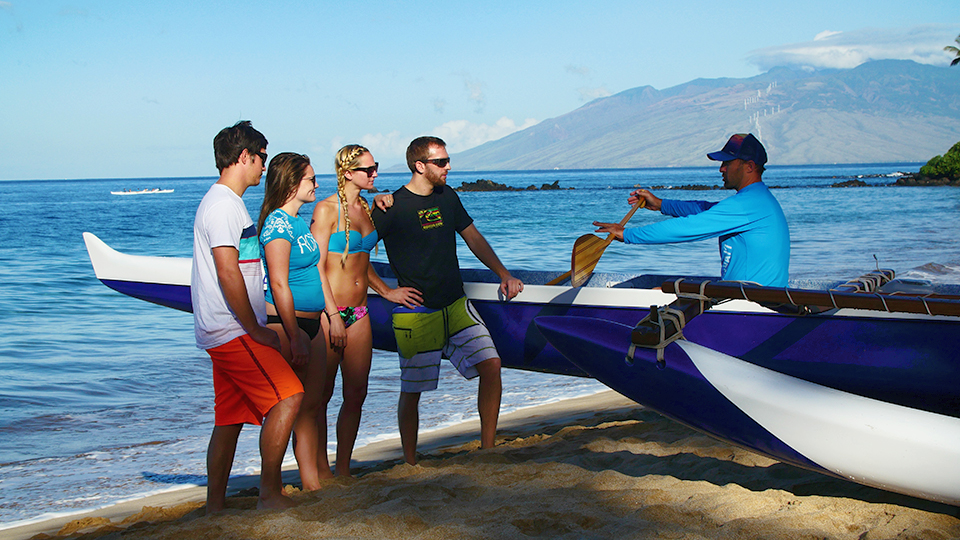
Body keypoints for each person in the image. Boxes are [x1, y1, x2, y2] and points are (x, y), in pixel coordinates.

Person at [369, 136, 524, 465]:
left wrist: (503, 273)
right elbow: (354, 254)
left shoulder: (447, 196)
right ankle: (410, 462)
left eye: (448, 160)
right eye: (441, 162)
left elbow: (472, 236)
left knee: (491, 365)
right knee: (413, 391)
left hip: (455, 303)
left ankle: (488, 449)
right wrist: (386, 291)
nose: (448, 167)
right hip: (416, 311)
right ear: (420, 166)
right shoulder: (391, 206)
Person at [190, 121, 303, 513]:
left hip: (222, 328)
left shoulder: (226, 202)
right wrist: (255, 327)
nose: (263, 167)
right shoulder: (223, 205)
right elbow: (227, 270)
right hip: (231, 329)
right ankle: (269, 494)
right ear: (244, 157)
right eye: (261, 158)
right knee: (289, 397)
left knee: (230, 418)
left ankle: (214, 507)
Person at [309, 144, 421, 476]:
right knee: (321, 396)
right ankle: (319, 470)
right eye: (368, 170)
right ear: (347, 173)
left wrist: (387, 291)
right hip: (329, 313)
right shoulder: (326, 210)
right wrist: (331, 316)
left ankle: (342, 468)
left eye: (376, 168)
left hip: (359, 313)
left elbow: (362, 263)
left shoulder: (367, 209)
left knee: (356, 392)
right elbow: (314, 267)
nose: (375, 174)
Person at [593, 133, 790, 287]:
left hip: (752, 306)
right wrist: (661, 204)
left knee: (658, 295)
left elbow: (688, 228)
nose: (721, 169)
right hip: (748, 296)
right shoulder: (757, 200)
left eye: (727, 163)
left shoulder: (748, 205)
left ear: (749, 166)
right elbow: (703, 209)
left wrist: (627, 234)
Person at [257, 152, 330, 490]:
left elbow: (314, 268)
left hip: (313, 323)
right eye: (311, 179)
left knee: (310, 406)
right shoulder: (277, 223)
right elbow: (279, 282)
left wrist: (330, 315)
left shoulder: (299, 220)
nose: (317, 184)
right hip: (289, 325)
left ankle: (312, 484)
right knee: (288, 407)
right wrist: (294, 334)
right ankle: (270, 485)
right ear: (291, 182)